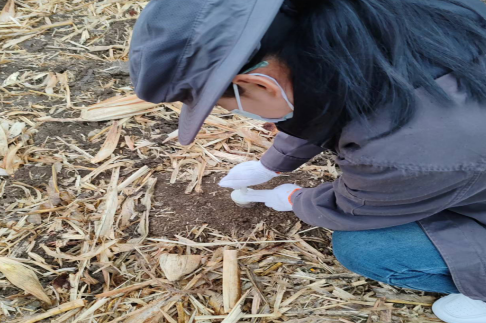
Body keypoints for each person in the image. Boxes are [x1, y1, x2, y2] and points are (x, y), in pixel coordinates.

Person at [129, 1, 486, 321]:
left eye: (236, 107)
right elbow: (323, 103)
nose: (247, 117)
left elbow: (353, 209)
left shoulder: (404, 148)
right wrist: (273, 163)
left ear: (260, 84)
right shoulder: (375, 21)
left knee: (366, 249)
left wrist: (294, 199)